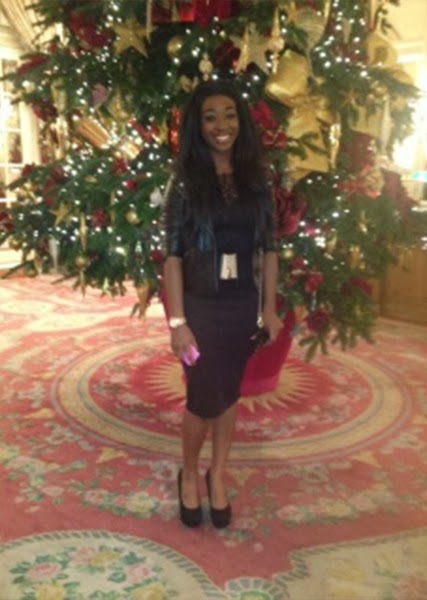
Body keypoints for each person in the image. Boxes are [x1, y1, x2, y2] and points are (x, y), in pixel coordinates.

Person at [163, 79, 283, 528]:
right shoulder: (184, 184)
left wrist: (267, 309)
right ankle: (189, 472)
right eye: (210, 116)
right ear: (198, 125)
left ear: (241, 122)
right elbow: (173, 256)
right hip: (199, 307)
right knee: (201, 397)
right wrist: (178, 322)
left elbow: (270, 248)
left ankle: (217, 474)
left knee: (229, 390)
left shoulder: (256, 180)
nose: (221, 125)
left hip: (241, 306)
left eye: (229, 115)